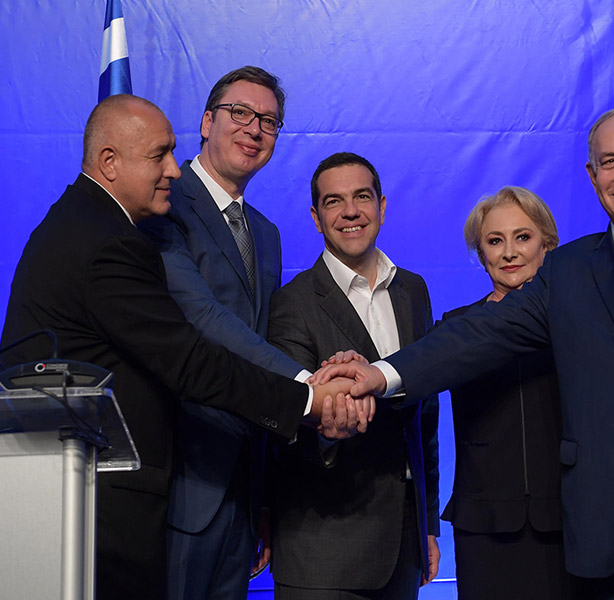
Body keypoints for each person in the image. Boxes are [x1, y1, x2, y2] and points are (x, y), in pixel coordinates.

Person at [313, 106, 614, 598]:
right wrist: (380, 374)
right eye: (609, 162)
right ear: (592, 176)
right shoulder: (567, 270)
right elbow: (477, 335)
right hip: (603, 539)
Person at [0, 94, 366, 600]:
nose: (173, 169)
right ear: (109, 162)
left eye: (269, 121)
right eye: (160, 155)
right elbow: (190, 359)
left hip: (112, 493)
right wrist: (306, 399)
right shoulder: (113, 240)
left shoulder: (83, 224)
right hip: (93, 501)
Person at [139, 66, 310, 599]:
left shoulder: (267, 232)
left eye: (269, 121)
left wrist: (262, 495)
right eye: (240, 113)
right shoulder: (163, 201)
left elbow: (263, 341)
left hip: (242, 484)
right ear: (207, 121)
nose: (254, 129)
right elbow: (205, 319)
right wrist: (309, 387)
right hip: (178, 474)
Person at [267, 152, 440, 599]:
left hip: (404, 544)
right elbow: (283, 421)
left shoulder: (414, 291)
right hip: (324, 550)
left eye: (362, 197)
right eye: (333, 201)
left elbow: (426, 415)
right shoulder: (292, 303)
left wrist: (428, 522)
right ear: (316, 216)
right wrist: (329, 423)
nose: (350, 212)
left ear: (382, 206)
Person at [441, 186, 573, 600]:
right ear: (482, 254)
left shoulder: (577, 324)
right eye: (495, 241)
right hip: (485, 527)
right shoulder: (455, 328)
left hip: (566, 519)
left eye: (523, 237)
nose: (509, 252)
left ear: (547, 245)